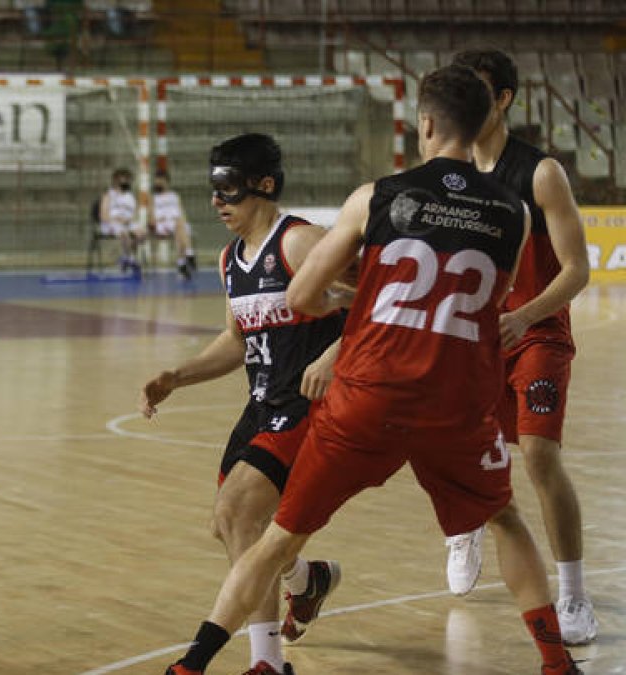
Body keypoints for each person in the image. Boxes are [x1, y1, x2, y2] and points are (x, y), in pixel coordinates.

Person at [162, 65, 583, 675]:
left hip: (371, 396)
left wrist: (347, 298)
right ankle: (554, 660)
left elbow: (302, 297)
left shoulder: (379, 195)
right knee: (507, 520)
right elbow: (500, 294)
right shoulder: (514, 213)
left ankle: (196, 662)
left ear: (427, 124)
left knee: (275, 535)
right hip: (458, 402)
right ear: (488, 119)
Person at [141, 134, 347, 675]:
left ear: (265, 184)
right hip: (259, 406)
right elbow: (236, 340)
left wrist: (336, 351)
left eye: (227, 188)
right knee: (230, 527)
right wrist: (176, 376)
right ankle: (307, 581)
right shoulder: (229, 259)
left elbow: (381, 299)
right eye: (212, 190)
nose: (217, 202)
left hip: (307, 405)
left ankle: (267, 663)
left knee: (238, 514)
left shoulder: (300, 243)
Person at [445, 49, 596, 645]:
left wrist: (524, 314)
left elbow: (578, 269)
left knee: (537, 456)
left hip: (535, 331)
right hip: (473, 337)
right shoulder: (449, 173)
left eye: (475, 90)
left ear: (502, 99)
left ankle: (575, 596)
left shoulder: (541, 173)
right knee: (453, 446)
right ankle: (464, 528)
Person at [149, 169, 198, 279]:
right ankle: (189, 255)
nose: (158, 183)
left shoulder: (174, 196)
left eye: (160, 181)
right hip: (161, 224)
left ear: (166, 181)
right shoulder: (154, 198)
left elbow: (182, 213)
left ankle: (182, 263)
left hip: (176, 223)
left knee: (180, 228)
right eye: (157, 181)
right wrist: (159, 220)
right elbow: (151, 219)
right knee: (180, 228)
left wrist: (183, 221)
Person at [100, 167, 145, 274]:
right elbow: (103, 216)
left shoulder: (130, 197)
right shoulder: (108, 195)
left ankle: (127, 257)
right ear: (116, 180)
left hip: (127, 223)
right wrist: (117, 219)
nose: (125, 181)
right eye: (123, 179)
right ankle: (131, 259)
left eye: (127, 179)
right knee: (125, 234)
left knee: (141, 234)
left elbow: (134, 215)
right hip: (111, 223)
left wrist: (128, 220)